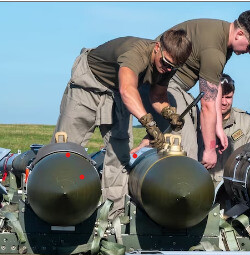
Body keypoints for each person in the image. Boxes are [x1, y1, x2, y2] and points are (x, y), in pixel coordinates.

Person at [52, 30, 192, 218]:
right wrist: (149, 124)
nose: (168, 70)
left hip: (115, 93)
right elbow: (128, 90)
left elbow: (157, 95)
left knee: (120, 154)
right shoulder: (135, 54)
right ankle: (56, 208)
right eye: (166, 63)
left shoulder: (166, 66)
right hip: (88, 86)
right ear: (157, 47)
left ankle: (113, 214)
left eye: (174, 68)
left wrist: (169, 112)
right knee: (65, 151)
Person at [132, 10, 250, 169]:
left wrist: (218, 127)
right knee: (186, 137)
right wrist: (210, 150)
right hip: (158, 85)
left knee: (180, 125)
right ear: (239, 34)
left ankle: (139, 157)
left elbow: (215, 84)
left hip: (164, 85)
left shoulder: (223, 37)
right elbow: (207, 105)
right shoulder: (215, 50)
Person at [208, 74, 250, 187]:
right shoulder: (198, 121)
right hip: (206, 186)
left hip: (234, 186)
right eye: (220, 97)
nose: (224, 102)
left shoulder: (246, 122)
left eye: (228, 97)